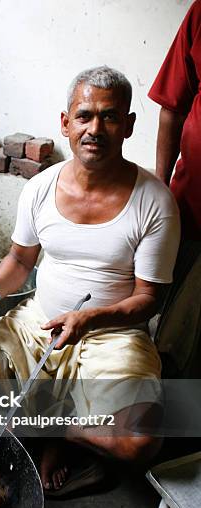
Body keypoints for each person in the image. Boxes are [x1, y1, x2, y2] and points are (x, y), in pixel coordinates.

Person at [0, 66, 180, 494]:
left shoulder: (154, 201)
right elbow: (20, 259)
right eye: (85, 116)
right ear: (65, 123)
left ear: (128, 125)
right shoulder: (40, 188)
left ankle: (52, 431)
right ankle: (65, 427)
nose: (96, 128)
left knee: (141, 440)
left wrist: (91, 318)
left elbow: (149, 298)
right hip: (41, 319)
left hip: (115, 333)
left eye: (110, 117)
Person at [148, 0, 201, 375]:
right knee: (176, 338)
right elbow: (173, 106)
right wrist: (160, 191)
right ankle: (175, 426)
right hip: (195, 207)